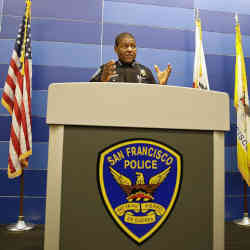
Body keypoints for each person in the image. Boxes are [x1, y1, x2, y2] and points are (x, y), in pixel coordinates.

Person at [90, 32, 172, 85]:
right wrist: (102, 81)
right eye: (125, 46)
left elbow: (154, 99)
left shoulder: (146, 72)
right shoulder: (107, 70)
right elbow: (89, 94)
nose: (130, 50)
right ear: (116, 49)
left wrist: (162, 85)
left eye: (133, 46)